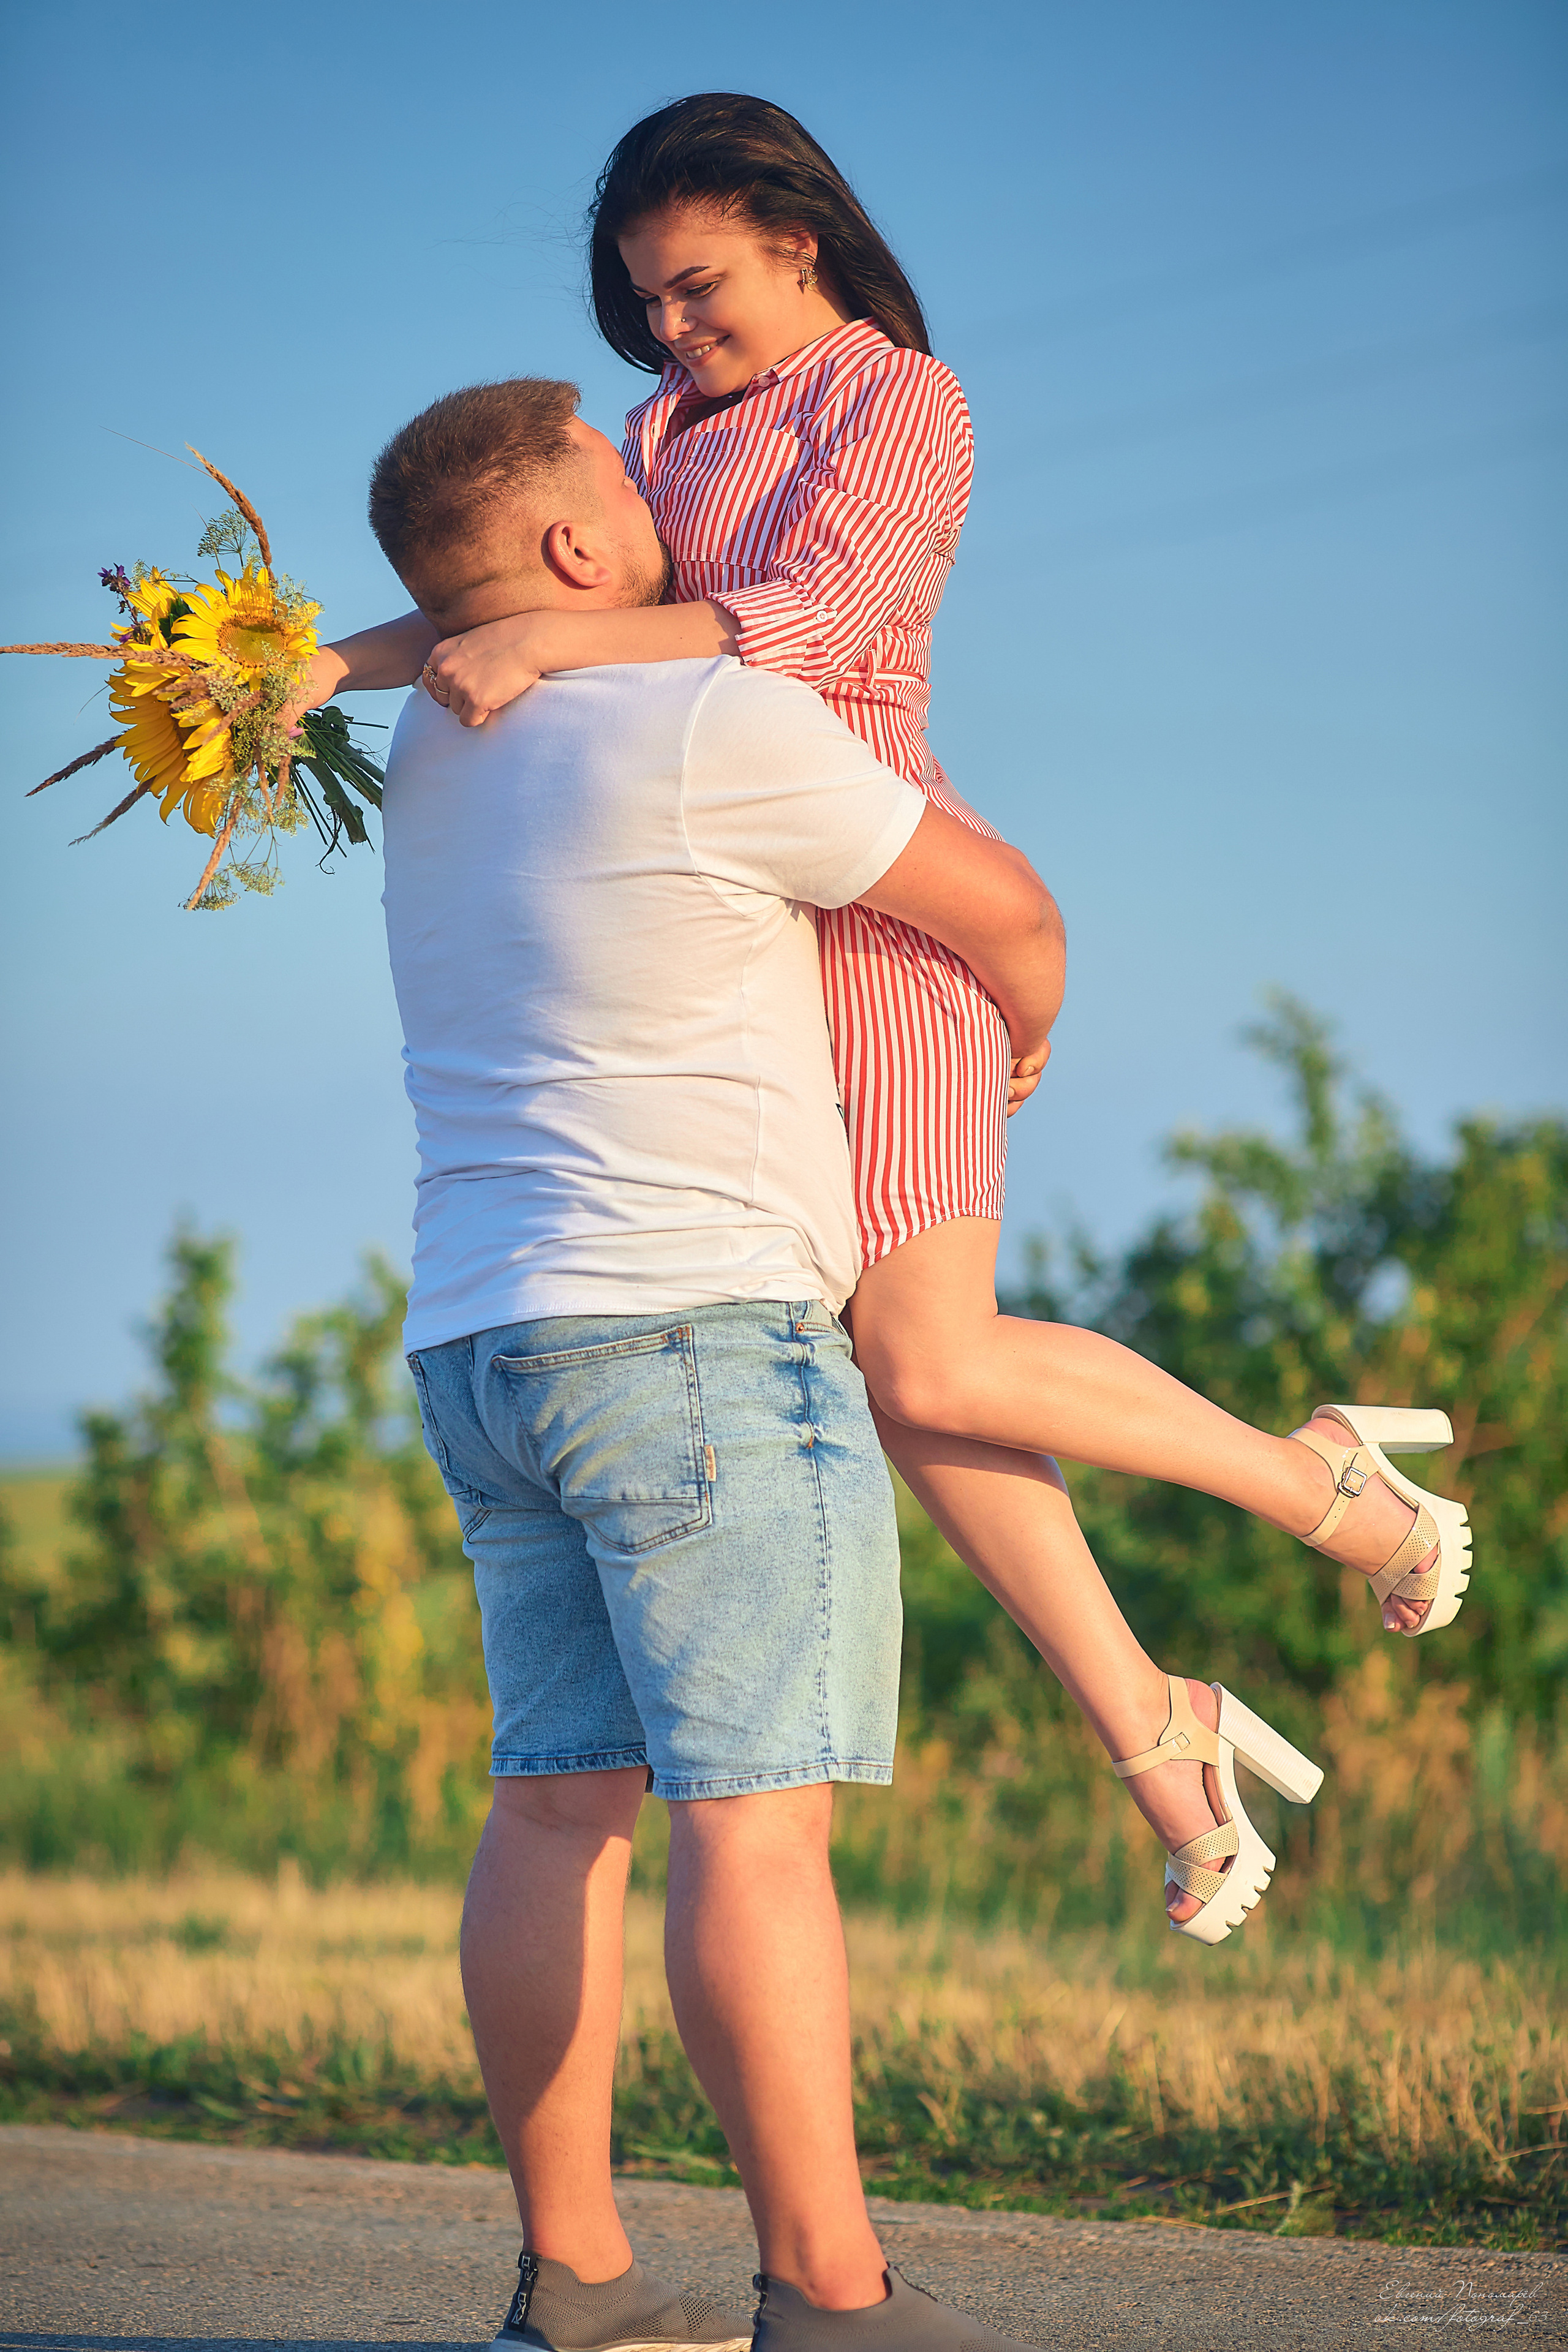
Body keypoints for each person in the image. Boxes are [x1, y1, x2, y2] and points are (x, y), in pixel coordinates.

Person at [306, 95, 1470, 1940]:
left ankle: (1311, 1485)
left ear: (797, 236)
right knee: (901, 1376)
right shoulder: (660, 430)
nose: (673, 335)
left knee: (928, 1363)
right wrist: (314, 665)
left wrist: (549, 650)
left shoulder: (897, 400)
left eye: (696, 291)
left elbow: (824, 615)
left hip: (885, 897)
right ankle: (1158, 1729)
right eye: (646, 307)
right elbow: (519, 588)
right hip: (747, 920)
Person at [373, 372, 1072, 2351]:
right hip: (692, 1334)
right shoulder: (705, 718)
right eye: (620, 466)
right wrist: (1029, 1021)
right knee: (753, 1825)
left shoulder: (438, 752)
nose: (656, 469)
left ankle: (574, 2273)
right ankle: (832, 2295)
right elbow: (996, 902)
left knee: (551, 1810)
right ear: (581, 547)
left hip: (483, 1339)